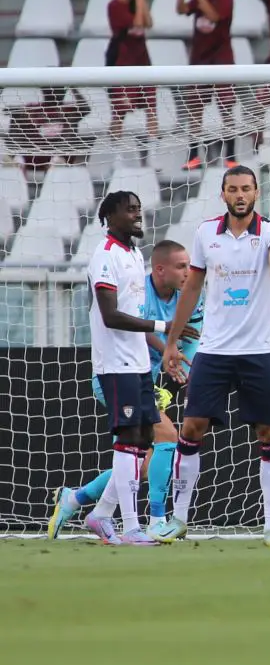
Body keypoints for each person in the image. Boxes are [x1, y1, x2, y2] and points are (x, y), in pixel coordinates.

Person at [155, 166, 270, 549]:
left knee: (269, 433)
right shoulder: (205, 234)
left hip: (259, 350)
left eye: (246, 189)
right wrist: (172, 341)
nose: (240, 195)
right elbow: (193, 286)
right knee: (192, 429)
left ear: (256, 193)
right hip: (214, 350)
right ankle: (179, 519)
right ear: (224, 194)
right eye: (233, 189)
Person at [49, 241, 204, 541]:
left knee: (142, 463)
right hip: (119, 374)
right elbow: (138, 329)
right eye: (181, 266)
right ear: (160, 269)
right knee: (167, 436)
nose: (189, 272)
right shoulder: (139, 290)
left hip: (149, 379)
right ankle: (156, 519)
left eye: (189, 265)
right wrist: (168, 350)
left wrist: (189, 371)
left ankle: (76, 500)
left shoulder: (192, 296)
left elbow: (194, 337)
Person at [76, 192, 163, 546]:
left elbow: (135, 313)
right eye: (130, 210)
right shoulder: (105, 256)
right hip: (115, 362)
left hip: (138, 361)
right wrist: (162, 327)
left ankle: (100, 515)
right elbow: (111, 316)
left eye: (139, 209)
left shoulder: (133, 253)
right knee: (128, 439)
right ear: (110, 216)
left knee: (143, 439)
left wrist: (163, 345)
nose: (137, 215)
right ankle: (131, 528)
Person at [176, 0, 235, 170]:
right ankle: (193, 156)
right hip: (199, 60)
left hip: (221, 60)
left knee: (226, 108)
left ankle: (231, 156)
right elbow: (181, 9)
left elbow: (214, 16)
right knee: (195, 108)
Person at [108, 0, 156, 143]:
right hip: (124, 60)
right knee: (119, 110)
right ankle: (116, 148)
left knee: (151, 108)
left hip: (142, 59)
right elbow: (136, 25)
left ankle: (153, 148)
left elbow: (148, 23)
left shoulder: (136, 2)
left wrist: (140, 0)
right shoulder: (115, 6)